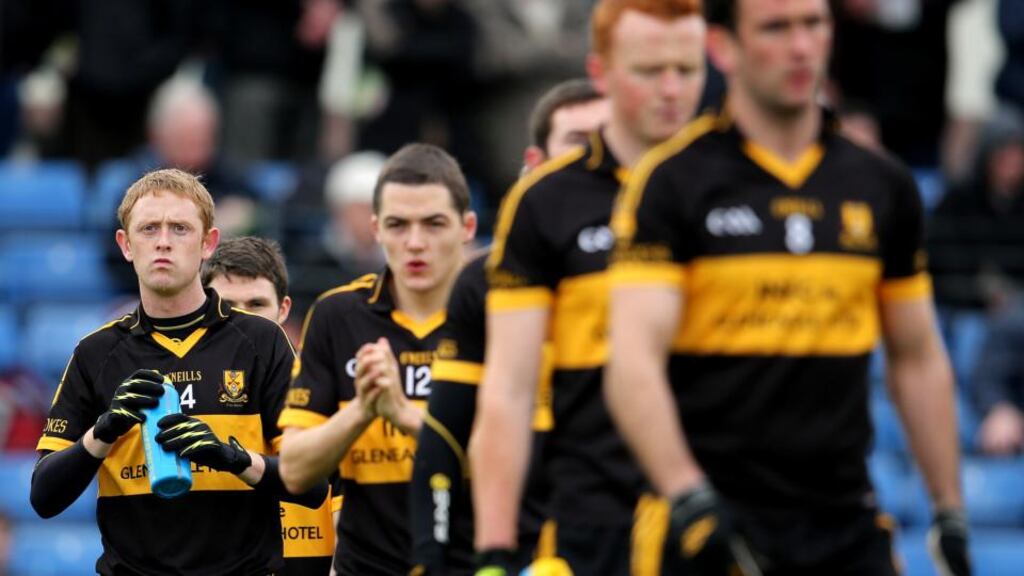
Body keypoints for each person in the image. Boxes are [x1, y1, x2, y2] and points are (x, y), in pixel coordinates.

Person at [605, 0, 970, 574]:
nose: (801, 47)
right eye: (775, 28)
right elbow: (632, 363)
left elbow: (917, 357)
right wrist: (689, 496)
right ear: (723, 47)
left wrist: (948, 509)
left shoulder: (882, 185)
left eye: (813, 24)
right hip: (713, 528)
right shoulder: (672, 183)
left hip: (847, 529)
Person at [469, 1, 707, 573]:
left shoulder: (737, 183)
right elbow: (507, 393)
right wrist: (496, 553)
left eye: (688, 69)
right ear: (602, 70)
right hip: (596, 520)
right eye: (650, 70)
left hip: (723, 507)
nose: (671, 89)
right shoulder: (546, 202)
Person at [29, 168, 327, 575]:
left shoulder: (262, 341)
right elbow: (44, 497)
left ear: (208, 243)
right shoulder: (95, 353)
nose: (164, 242)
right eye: (149, 228)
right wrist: (103, 433)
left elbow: (311, 486)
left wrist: (231, 458)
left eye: (180, 229)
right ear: (126, 245)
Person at [409, 78, 609, 575]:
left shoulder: (654, 263)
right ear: (535, 161)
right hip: (512, 544)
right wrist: (433, 560)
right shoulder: (481, 281)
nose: (596, 160)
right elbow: (444, 438)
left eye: (606, 142)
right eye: (578, 144)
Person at [278, 143, 478, 575]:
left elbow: (522, 463)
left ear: (467, 226)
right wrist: (363, 411)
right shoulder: (337, 315)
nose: (415, 242)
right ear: (376, 228)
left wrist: (404, 414)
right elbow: (294, 469)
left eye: (434, 224)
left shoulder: (499, 314)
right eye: (398, 225)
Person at [201, 236, 335, 575]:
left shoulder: (331, 393)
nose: (244, 320)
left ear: (284, 309)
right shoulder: (187, 396)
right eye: (229, 305)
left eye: (256, 304)